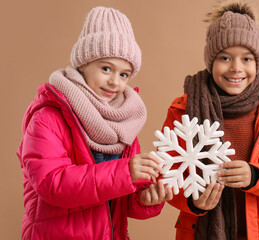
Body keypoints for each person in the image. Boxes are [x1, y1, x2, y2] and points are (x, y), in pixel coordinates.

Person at [160, 0, 259, 239]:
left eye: (247, 58)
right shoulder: (183, 108)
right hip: (200, 230)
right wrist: (193, 199)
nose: (236, 68)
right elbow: (165, 172)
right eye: (225, 58)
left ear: (257, 62)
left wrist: (256, 176)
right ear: (211, 60)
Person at [17, 6, 172, 240]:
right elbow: (52, 184)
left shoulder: (124, 122)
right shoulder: (48, 117)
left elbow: (119, 201)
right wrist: (125, 173)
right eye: (106, 68)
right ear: (83, 64)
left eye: (124, 74)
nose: (114, 82)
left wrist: (144, 199)